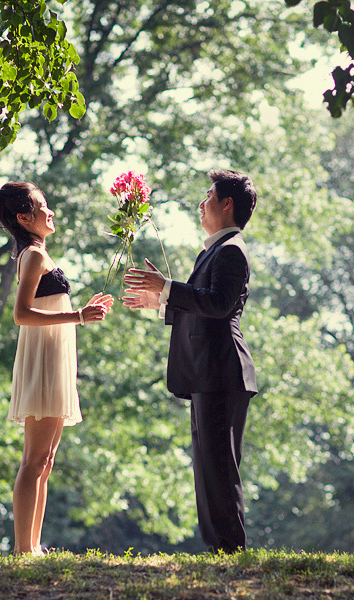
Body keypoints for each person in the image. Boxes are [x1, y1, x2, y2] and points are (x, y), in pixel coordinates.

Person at [123, 169, 258, 553]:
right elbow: (202, 304)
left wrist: (167, 289)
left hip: (222, 371)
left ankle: (230, 552)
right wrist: (162, 299)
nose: (200, 205)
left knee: (219, 468)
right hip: (206, 373)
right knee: (206, 469)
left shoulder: (231, 250)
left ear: (227, 203)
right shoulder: (213, 250)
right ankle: (219, 550)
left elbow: (218, 304)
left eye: (208, 197)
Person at [0, 181, 113, 556]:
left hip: (55, 355)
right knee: (35, 457)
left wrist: (80, 312)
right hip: (42, 356)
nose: (51, 212)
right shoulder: (33, 257)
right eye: (43, 207)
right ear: (25, 218)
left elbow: (47, 304)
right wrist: (78, 315)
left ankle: (34, 546)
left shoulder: (41, 254)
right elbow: (21, 314)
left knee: (46, 458)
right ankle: (22, 550)